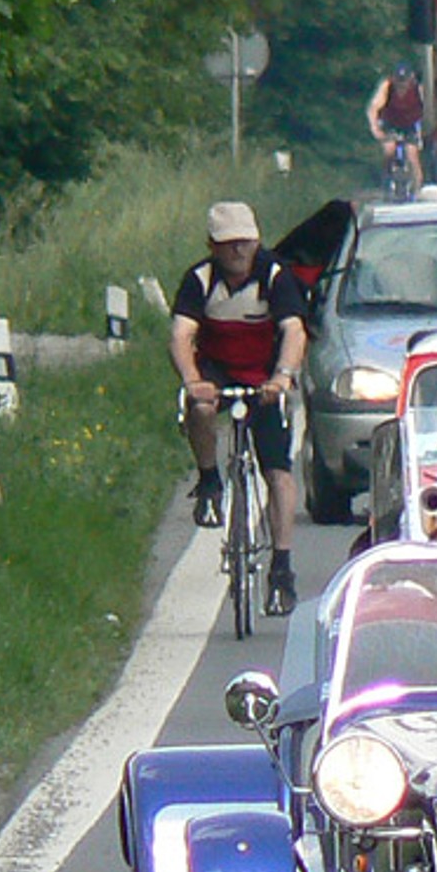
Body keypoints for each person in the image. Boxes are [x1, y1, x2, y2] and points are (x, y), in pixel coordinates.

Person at [169, 201, 310, 615]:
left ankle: (281, 567)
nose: (238, 252)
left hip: (265, 375)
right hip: (218, 368)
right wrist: (193, 381)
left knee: (279, 473)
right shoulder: (200, 279)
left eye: (246, 242)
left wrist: (282, 376)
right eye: (229, 244)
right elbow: (181, 333)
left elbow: (294, 330)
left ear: (257, 240)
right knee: (200, 409)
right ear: (212, 245)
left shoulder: (275, 277)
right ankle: (210, 479)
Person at [366, 62, 425, 192]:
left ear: (411, 79)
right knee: (389, 150)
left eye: (404, 81)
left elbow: (430, 108)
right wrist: (375, 129)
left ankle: (417, 188)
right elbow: (374, 108)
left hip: (410, 124)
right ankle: (385, 181)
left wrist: (426, 128)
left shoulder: (418, 89)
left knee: (412, 155)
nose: (401, 85)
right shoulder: (387, 87)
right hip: (390, 123)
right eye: (399, 81)